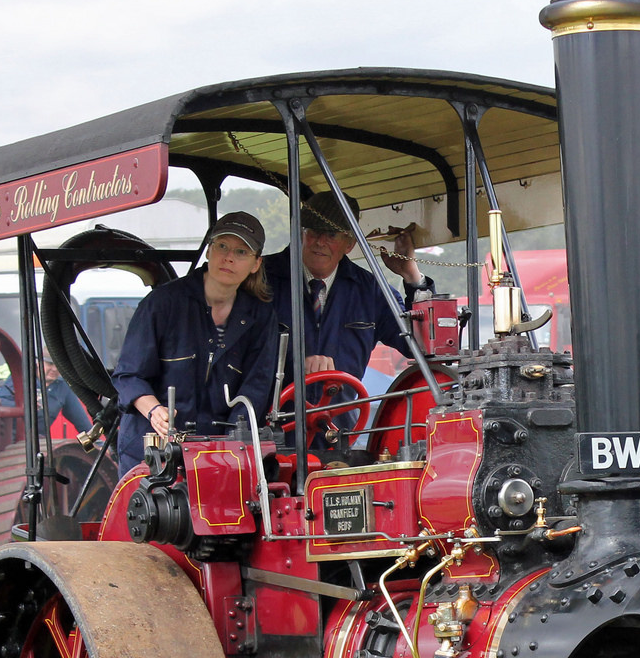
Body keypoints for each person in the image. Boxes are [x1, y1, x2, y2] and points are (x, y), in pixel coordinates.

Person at [110, 211, 280, 477]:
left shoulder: (260, 317)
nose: (229, 257)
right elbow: (128, 375)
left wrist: (231, 449)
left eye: (241, 252)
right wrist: (155, 410)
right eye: (222, 246)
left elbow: (255, 390)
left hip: (218, 454)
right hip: (151, 450)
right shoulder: (163, 303)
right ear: (209, 252)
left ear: (256, 264)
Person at [263, 193, 432, 387]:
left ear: (349, 244)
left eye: (331, 234)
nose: (320, 242)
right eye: (314, 231)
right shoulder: (262, 280)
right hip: (272, 414)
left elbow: (422, 346)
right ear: (300, 234)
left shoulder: (371, 292)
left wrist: (412, 277)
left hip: (341, 415)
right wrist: (295, 366)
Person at [0, 354, 92, 433]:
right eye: (50, 363)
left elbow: (83, 424)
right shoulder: (20, 379)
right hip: (11, 440)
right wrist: (25, 407)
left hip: (40, 444)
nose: (54, 369)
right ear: (38, 363)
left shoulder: (63, 388)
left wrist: (97, 445)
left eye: (58, 365)